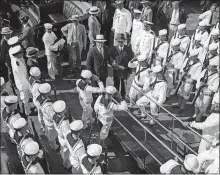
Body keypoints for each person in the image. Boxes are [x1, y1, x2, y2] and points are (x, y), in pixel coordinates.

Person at [175, 49, 202, 114]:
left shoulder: (199, 65)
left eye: (193, 57)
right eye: (191, 56)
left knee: (185, 95)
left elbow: (197, 76)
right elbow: (183, 67)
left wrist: (190, 75)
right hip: (184, 78)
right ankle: (179, 104)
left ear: (196, 56)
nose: (192, 58)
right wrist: (182, 73)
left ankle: (182, 108)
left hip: (189, 81)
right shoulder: (188, 60)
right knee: (181, 92)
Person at [9, 45, 31, 115]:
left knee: (25, 98)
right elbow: (23, 78)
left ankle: (27, 109)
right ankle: (27, 112)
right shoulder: (18, 66)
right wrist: (29, 85)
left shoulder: (17, 59)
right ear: (17, 54)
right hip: (23, 85)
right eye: (20, 52)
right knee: (25, 99)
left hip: (22, 82)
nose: (22, 53)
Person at [109, 33, 133, 98]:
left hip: (125, 71)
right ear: (117, 41)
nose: (120, 43)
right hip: (116, 70)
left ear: (124, 41)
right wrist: (118, 66)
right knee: (116, 84)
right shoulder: (113, 49)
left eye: (121, 41)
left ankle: (123, 97)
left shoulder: (128, 49)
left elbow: (131, 61)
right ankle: (115, 97)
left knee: (124, 85)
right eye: (119, 41)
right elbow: (111, 61)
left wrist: (130, 72)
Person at [37, 83, 58, 150]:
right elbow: (53, 116)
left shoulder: (40, 98)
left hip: (45, 119)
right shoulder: (48, 105)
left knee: (50, 134)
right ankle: (54, 147)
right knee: (51, 137)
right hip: (50, 123)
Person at [52, 100, 71, 169]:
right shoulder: (64, 122)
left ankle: (63, 159)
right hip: (64, 139)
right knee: (67, 153)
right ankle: (67, 165)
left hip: (60, 136)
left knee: (62, 150)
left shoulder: (55, 116)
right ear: (62, 111)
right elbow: (67, 134)